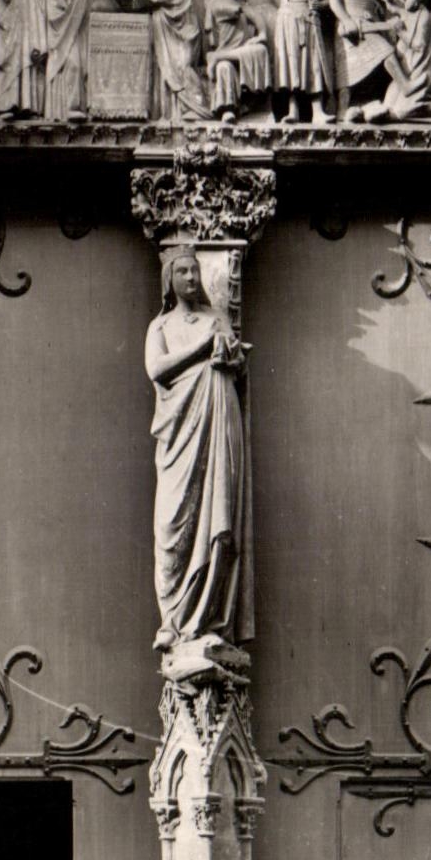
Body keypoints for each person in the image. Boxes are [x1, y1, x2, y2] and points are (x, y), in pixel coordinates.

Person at [144, 247, 251, 657]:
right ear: (169, 279)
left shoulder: (215, 319)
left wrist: (231, 355)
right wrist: (204, 348)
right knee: (175, 526)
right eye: (182, 271)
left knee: (218, 521)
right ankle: (174, 620)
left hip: (217, 423)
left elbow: (236, 365)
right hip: (180, 436)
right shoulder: (161, 326)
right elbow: (157, 369)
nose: (190, 277)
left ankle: (209, 622)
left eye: (195, 270)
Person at [117, 0, 208, 122]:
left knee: (181, 66)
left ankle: (196, 106)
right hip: (167, 24)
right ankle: (171, 113)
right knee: (170, 68)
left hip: (179, 27)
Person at [328, 0, 412, 120]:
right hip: (353, 29)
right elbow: (335, 2)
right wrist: (346, 19)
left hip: (370, 24)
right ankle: (344, 109)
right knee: (373, 57)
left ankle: (379, 101)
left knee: (385, 53)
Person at [258, 0, 334, 123]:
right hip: (287, 20)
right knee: (291, 65)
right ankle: (293, 110)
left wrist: (320, 4)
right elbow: (280, 0)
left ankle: (317, 110)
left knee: (312, 63)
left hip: (308, 19)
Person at [205, 0, 271, 122]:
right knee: (224, 68)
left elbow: (256, 17)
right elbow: (235, 11)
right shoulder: (218, 1)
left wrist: (262, 33)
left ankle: (217, 57)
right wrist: (243, 5)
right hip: (230, 54)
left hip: (242, 52)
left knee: (261, 50)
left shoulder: (239, 2)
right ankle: (228, 109)